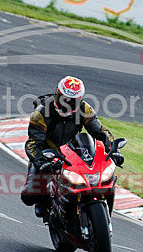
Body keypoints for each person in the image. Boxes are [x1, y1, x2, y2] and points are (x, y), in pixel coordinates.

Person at [20, 76, 123, 217]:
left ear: (79, 100)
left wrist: (113, 149)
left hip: (72, 151)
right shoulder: (41, 112)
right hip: (47, 153)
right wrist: (41, 161)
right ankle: (48, 205)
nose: (66, 104)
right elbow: (33, 143)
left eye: (72, 101)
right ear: (57, 94)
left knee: (97, 177)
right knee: (29, 197)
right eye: (63, 99)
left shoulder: (84, 109)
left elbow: (100, 132)